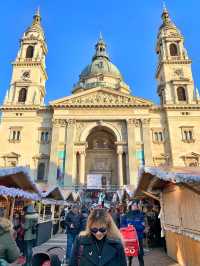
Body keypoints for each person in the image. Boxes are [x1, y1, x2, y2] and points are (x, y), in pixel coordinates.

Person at [121, 200, 145, 266]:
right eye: (133, 205)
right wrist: (127, 227)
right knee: (129, 256)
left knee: (140, 256)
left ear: (138, 206)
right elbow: (122, 226)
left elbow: (142, 227)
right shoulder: (126, 215)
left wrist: (133, 226)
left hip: (138, 238)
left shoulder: (141, 215)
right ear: (130, 206)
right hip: (129, 239)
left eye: (136, 205)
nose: (134, 206)